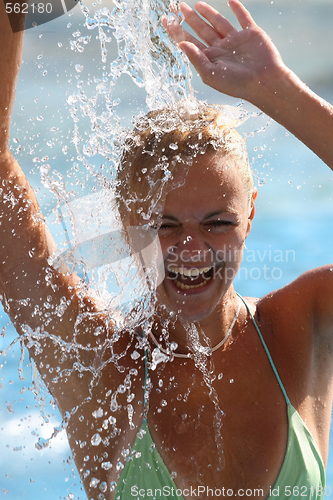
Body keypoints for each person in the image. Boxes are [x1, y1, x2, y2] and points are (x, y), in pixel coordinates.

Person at [1, 1, 333, 499]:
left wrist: (277, 92)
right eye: (163, 224)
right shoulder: (100, 367)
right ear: (126, 221)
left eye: (218, 223)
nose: (191, 249)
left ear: (251, 215)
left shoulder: (302, 330)